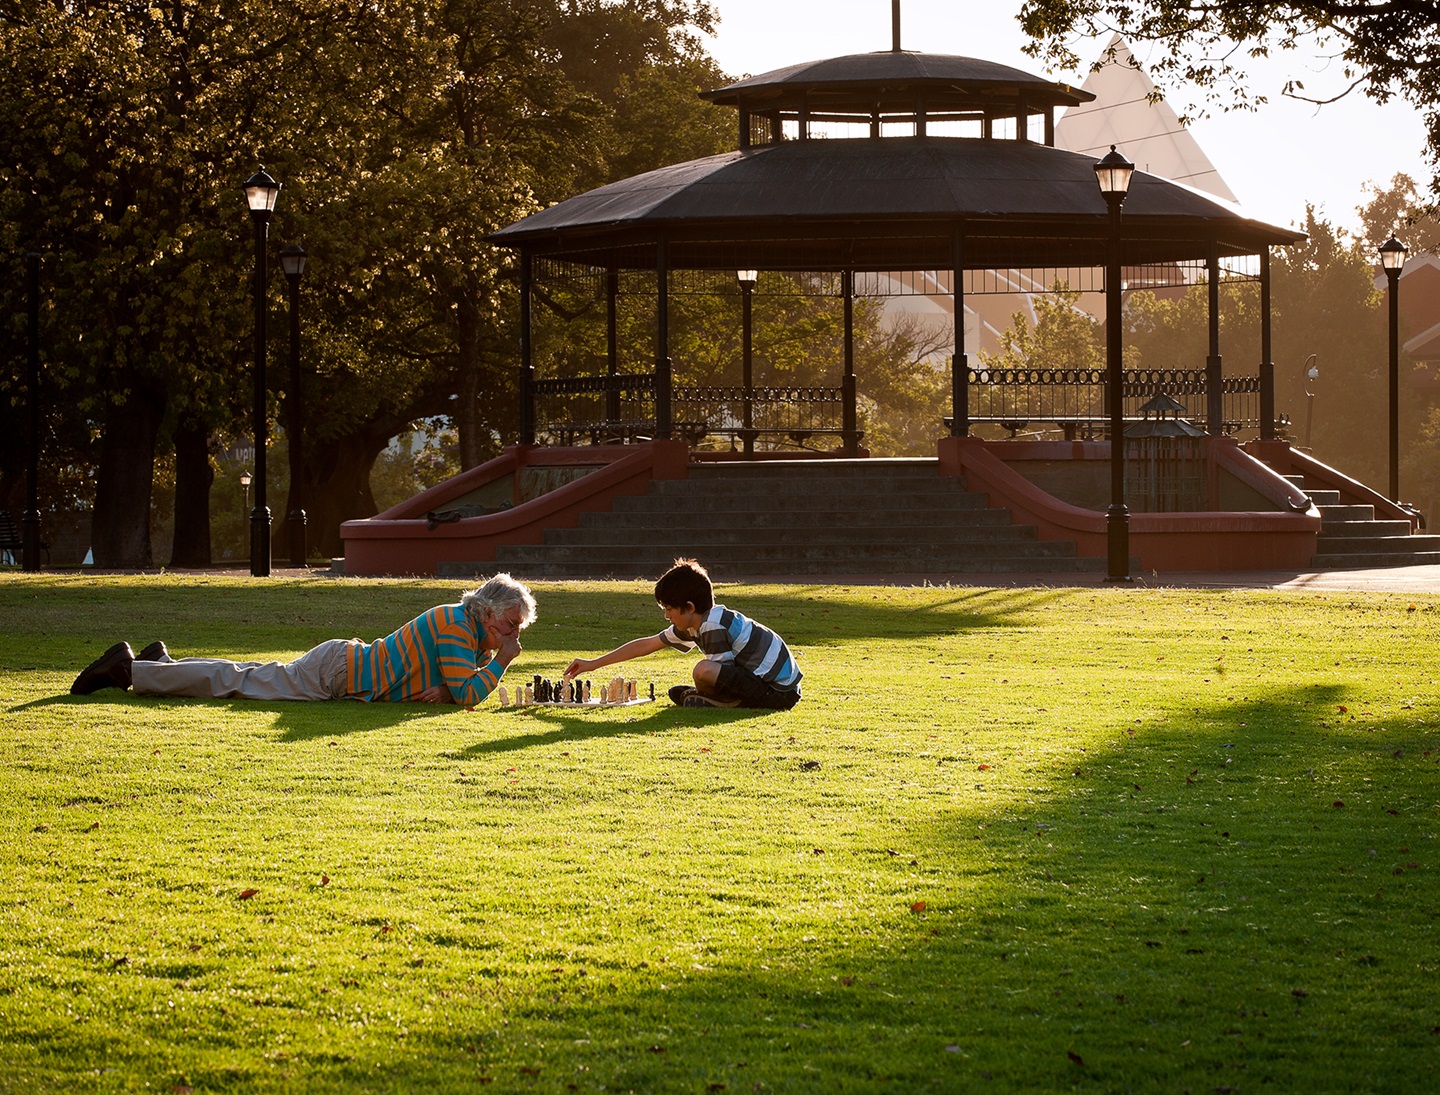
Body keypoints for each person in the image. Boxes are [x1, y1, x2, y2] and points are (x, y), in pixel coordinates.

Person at [69, 573, 537, 705]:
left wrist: (446, 686)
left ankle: (161, 662)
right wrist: (503, 663)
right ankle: (129, 670)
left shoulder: (465, 627)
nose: (513, 636)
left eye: (516, 630)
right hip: (335, 674)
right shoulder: (458, 627)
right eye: (511, 626)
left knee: (245, 676)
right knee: (237, 682)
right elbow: (469, 693)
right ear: (490, 612)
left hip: (343, 666)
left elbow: (453, 685)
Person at [563, 558, 801, 709]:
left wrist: (702, 684)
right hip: (768, 685)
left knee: (703, 670)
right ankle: (709, 698)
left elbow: (719, 672)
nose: (667, 616)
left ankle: (718, 701)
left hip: (779, 692)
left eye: (669, 609)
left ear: (689, 607)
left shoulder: (713, 624)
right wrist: (593, 664)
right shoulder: (695, 622)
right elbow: (646, 645)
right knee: (701, 675)